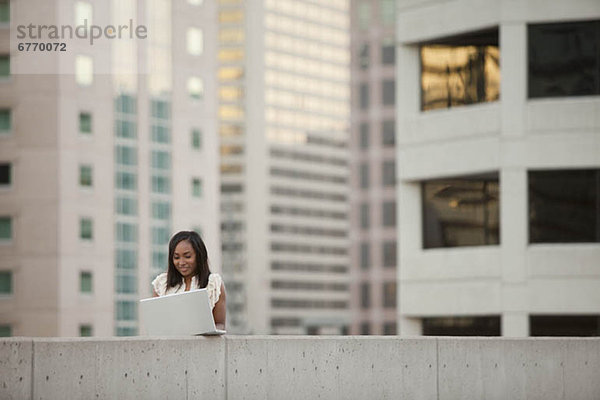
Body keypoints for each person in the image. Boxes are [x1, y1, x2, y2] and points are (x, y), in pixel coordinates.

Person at [151, 230, 226, 330]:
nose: (181, 262)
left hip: (201, 343)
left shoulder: (213, 283)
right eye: (176, 257)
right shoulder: (161, 283)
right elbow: (155, 323)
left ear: (199, 256)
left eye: (187, 256)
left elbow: (220, 325)